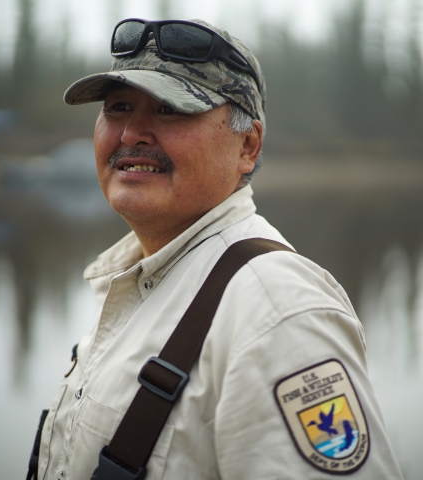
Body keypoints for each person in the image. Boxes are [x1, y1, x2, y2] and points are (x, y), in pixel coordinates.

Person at [34, 18, 403, 480]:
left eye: (170, 110)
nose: (131, 134)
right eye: (119, 107)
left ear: (248, 146)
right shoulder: (144, 279)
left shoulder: (277, 314)